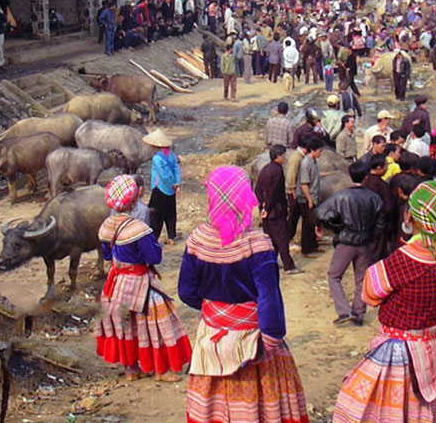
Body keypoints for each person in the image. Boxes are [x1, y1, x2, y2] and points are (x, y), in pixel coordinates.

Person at [180, 166, 309, 423]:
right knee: (264, 405)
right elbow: (269, 300)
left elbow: (186, 292)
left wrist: (218, 310)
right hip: (255, 340)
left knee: (212, 405)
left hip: (213, 337)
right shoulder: (258, 244)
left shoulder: (197, 240)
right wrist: (270, 340)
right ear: (243, 196)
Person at [333, 180, 436, 423]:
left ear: (410, 217)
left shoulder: (406, 259)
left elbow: (369, 293)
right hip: (430, 343)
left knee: (379, 409)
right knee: (425, 410)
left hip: (402, 348)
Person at [96, 175, 191, 382]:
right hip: (139, 281)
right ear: (132, 201)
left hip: (116, 281)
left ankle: (131, 369)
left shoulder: (105, 227)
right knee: (156, 322)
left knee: (125, 326)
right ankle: (159, 369)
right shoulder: (138, 229)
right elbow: (154, 256)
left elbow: (106, 255)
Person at [316, 161, 385, 326]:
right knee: (361, 279)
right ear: (366, 177)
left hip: (346, 241)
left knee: (334, 276)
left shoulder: (341, 196)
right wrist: (370, 235)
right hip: (365, 243)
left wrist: (336, 228)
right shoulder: (374, 198)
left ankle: (344, 311)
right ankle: (359, 313)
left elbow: (321, 213)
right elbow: (381, 224)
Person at [256, 144, 299, 275]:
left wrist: (262, 205)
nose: (285, 158)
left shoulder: (265, 169)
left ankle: (271, 263)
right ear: (277, 156)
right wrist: (268, 208)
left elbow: (257, 189)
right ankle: (289, 266)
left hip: (266, 210)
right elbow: (275, 193)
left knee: (271, 239)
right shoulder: (278, 171)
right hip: (275, 210)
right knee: (282, 238)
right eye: (283, 155)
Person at [144, 129, 181, 245]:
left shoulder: (156, 158)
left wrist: (170, 183)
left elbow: (163, 175)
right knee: (170, 212)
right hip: (171, 189)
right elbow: (176, 169)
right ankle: (171, 236)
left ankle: (154, 238)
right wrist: (176, 184)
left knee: (156, 214)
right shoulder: (171, 155)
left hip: (160, 188)